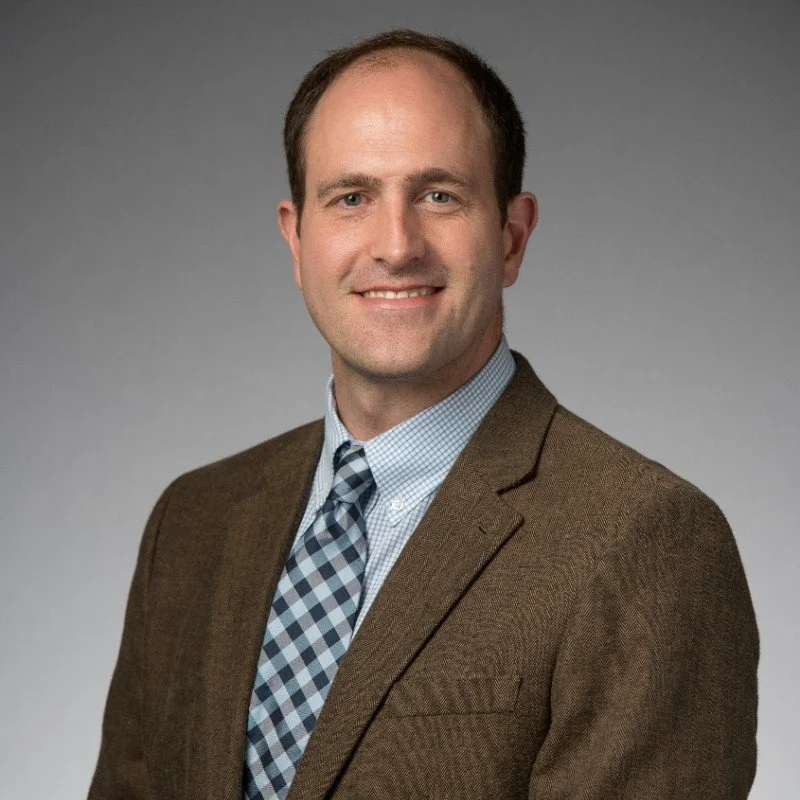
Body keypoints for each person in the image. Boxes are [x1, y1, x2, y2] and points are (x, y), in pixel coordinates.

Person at [88, 29, 758, 800]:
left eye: (440, 195)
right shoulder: (192, 523)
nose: (396, 245)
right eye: (351, 198)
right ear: (297, 239)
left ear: (511, 236)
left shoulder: (647, 540)